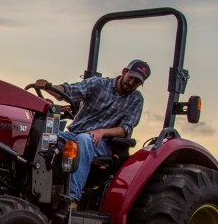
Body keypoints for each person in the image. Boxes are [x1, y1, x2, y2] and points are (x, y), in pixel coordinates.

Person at [35, 59, 150, 210]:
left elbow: (125, 129)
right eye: (131, 77)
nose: (131, 83)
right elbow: (68, 91)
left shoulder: (136, 99)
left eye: (137, 82)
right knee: (46, 136)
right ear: (124, 72)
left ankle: (72, 199)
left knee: (84, 140)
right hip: (75, 134)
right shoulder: (98, 84)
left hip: (104, 143)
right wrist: (48, 86)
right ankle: (35, 189)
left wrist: (102, 132)